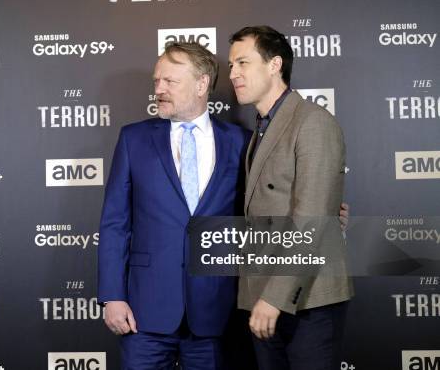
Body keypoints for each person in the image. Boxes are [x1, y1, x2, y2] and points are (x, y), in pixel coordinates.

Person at [98, 41, 249, 369]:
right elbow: (115, 223)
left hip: (216, 313)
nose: (159, 89)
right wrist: (112, 296)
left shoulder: (241, 142)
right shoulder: (133, 139)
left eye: (169, 81)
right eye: (156, 81)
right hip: (144, 314)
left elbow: (259, 212)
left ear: (201, 84)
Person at [228, 25, 354, 370]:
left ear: (274, 65)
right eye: (231, 65)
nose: (233, 73)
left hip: (307, 299)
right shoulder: (262, 128)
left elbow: (311, 220)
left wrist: (274, 297)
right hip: (265, 295)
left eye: (242, 63)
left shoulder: (312, 121)